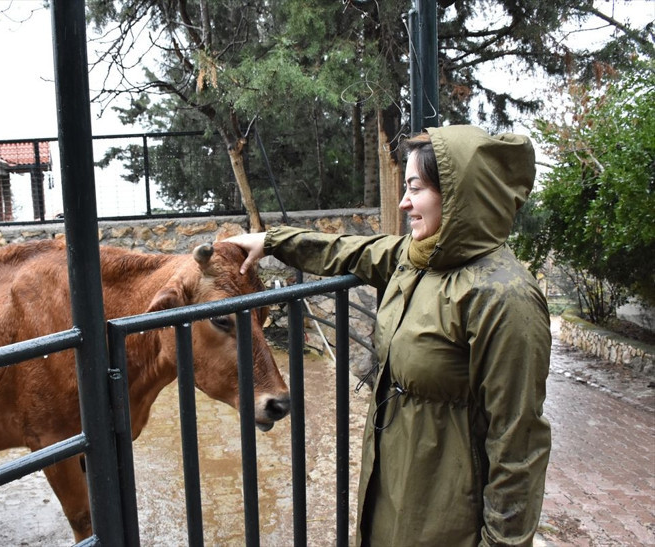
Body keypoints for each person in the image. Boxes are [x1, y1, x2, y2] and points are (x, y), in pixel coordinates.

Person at [226, 125, 552, 546]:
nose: (403, 203)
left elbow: (518, 445)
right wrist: (272, 242)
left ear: (457, 196)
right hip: (395, 480)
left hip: (447, 509)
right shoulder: (416, 257)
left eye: (415, 188)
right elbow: (347, 249)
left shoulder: (504, 298)